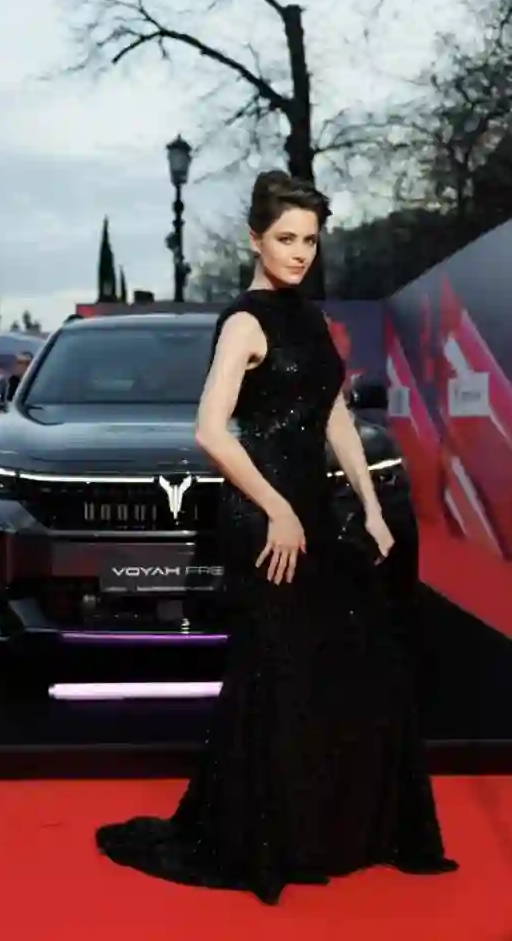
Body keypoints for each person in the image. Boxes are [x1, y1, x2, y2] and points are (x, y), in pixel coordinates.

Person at [95, 170, 458, 905]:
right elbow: (210, 431)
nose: (299, 252)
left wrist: (371, 505)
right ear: (255, 239)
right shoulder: (244, 322)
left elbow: (333, 417)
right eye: (286, 238)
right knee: (280, 672)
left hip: (315, 513)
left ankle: (336, 830)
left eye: (310, 240)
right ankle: (270, 838)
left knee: (359, 662)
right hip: (264, 519)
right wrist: (277, 509)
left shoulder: (310, 320)